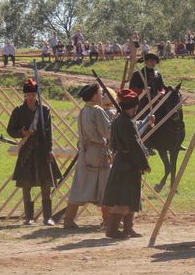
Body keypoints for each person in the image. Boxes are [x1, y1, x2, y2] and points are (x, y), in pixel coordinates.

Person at [6, 79, 60, 226]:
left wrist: (50, 149)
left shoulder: (44, 110)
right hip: (27, 151)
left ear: (37, 94)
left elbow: (49, 132)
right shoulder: (18, 111)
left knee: (46, 184)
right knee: (26, 184)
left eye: (33, 94)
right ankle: (29, 217)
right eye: (28, 95)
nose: (31, 97)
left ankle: (47, 217)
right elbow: (10, 130)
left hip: (42, 149)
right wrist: (22, 133)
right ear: (25, 95)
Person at [64, 83, 114, 229]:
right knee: (105, 184)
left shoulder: (83, 110)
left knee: (80, 184)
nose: (102, 96)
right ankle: (108, 220)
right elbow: (107, 132)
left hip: (86, 153)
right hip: (98, 152)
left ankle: (69, 219)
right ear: (93, 96)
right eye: (99, 93)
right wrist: (115, 123)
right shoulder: (97, 110)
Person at [102, 89, 151, 238]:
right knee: (123, 198)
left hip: (124, 161)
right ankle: (112, 230)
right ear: (133, 106)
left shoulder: (120, 120)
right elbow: (133, 145)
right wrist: (144, 163)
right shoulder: (126, 122)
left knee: (130, 197)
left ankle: (128, 228)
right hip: (127, 163)